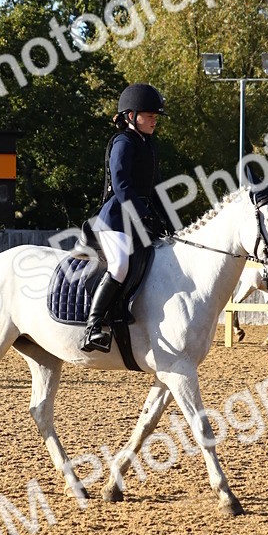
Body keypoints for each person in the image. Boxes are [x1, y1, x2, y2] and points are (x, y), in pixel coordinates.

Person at [80, 83, 170, 352]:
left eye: (155, 116)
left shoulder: (148, 145)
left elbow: (155, 189)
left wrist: (170, 223)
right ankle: (92, 326)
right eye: (149, 115)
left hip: (140, 219)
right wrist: (143, 214)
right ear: (131, 116)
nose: (154, 120)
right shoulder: (123, 142)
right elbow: (121, 184)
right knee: (119, 266)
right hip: (116, 218)